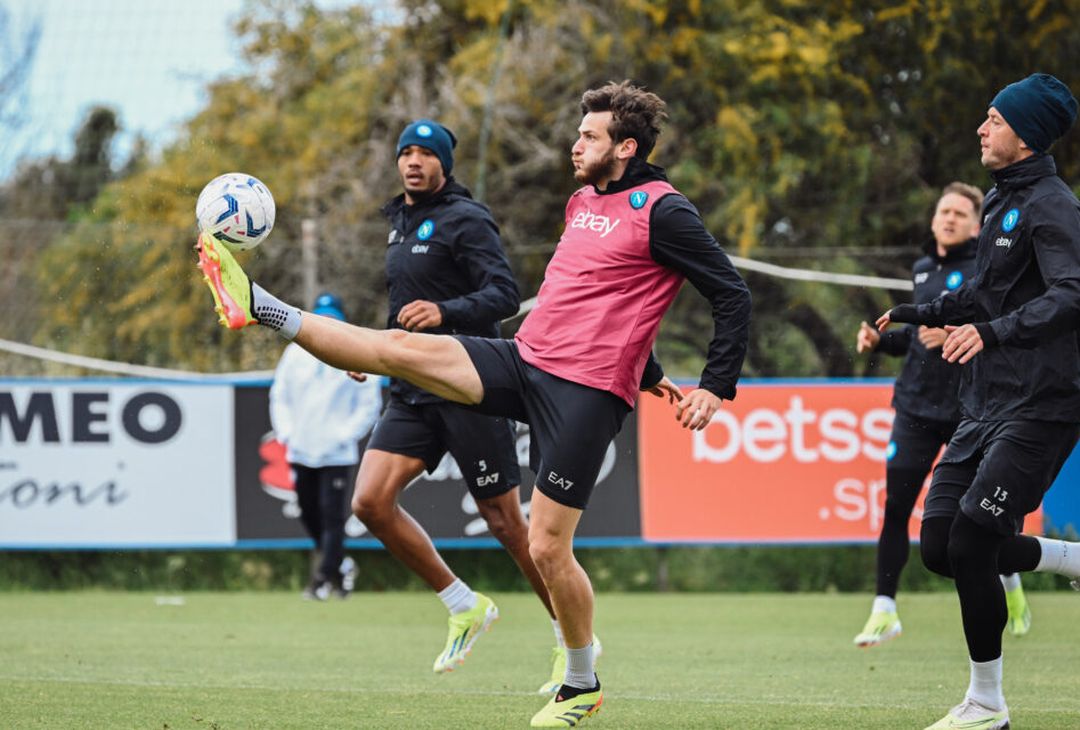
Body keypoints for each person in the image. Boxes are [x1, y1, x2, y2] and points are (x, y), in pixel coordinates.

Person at [195, 80, 751, 727]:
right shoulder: (579, 203)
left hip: (587, 392)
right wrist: (652, 367)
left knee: (545, 548)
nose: (576, 144)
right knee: (399, 348)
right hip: (525, 358)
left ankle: (581, 681)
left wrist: (714, 384)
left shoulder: (666, 210)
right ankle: (258, 302)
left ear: (626, 147)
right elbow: (597, 298)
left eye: (589, 137)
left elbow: (731, 294)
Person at [875, 73, 1080, 730]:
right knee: (939, 546)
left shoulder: (1052, 205)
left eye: (992, 118)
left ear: (1024, 134)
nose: (980, 128)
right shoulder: (999, 202)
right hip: (986, 401)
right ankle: (1067, 559)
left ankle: (987, 706)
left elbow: (1072, 294)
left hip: (1044, 402)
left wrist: (989, 333)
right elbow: (984, 294)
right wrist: (917, 312)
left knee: (971, 541)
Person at [349, 118, 575, 687]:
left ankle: (570, 640)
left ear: (445, 164)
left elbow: (503, 294)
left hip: (465, 383)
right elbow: (403, 305)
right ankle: (463, 605)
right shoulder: (398, 222)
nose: (414, 162)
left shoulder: (465, 219)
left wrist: (444, 313)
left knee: (506, 523)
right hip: (409, 389)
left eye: (426, 153)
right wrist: (375, 350)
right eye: (406, 153)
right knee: (370, 503)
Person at [853, 183, 1031, 647]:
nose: (949, 219)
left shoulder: (987, 268)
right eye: (943, 211)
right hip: (914, 407)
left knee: (980, 516)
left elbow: (998, 335)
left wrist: (950, 331)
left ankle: (1010, 582)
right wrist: (881, 342)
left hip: (970, 412)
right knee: (895, 507)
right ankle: (884, 610)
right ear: (934, 219)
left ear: (976, 225)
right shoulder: (922, 268)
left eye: (959, 213)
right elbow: (919, 342)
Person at [268, 292, 383, 600]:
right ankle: (341, 565)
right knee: (308, 512)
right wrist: (287, 432)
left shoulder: (355, 350)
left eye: (333, 317)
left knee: (332, 516)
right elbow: (281, 394)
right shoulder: (295, 353)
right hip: (302, 446)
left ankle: (320, 580)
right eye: (322, 316)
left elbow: (368, 403)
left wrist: (346, 434)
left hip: (336, 450)